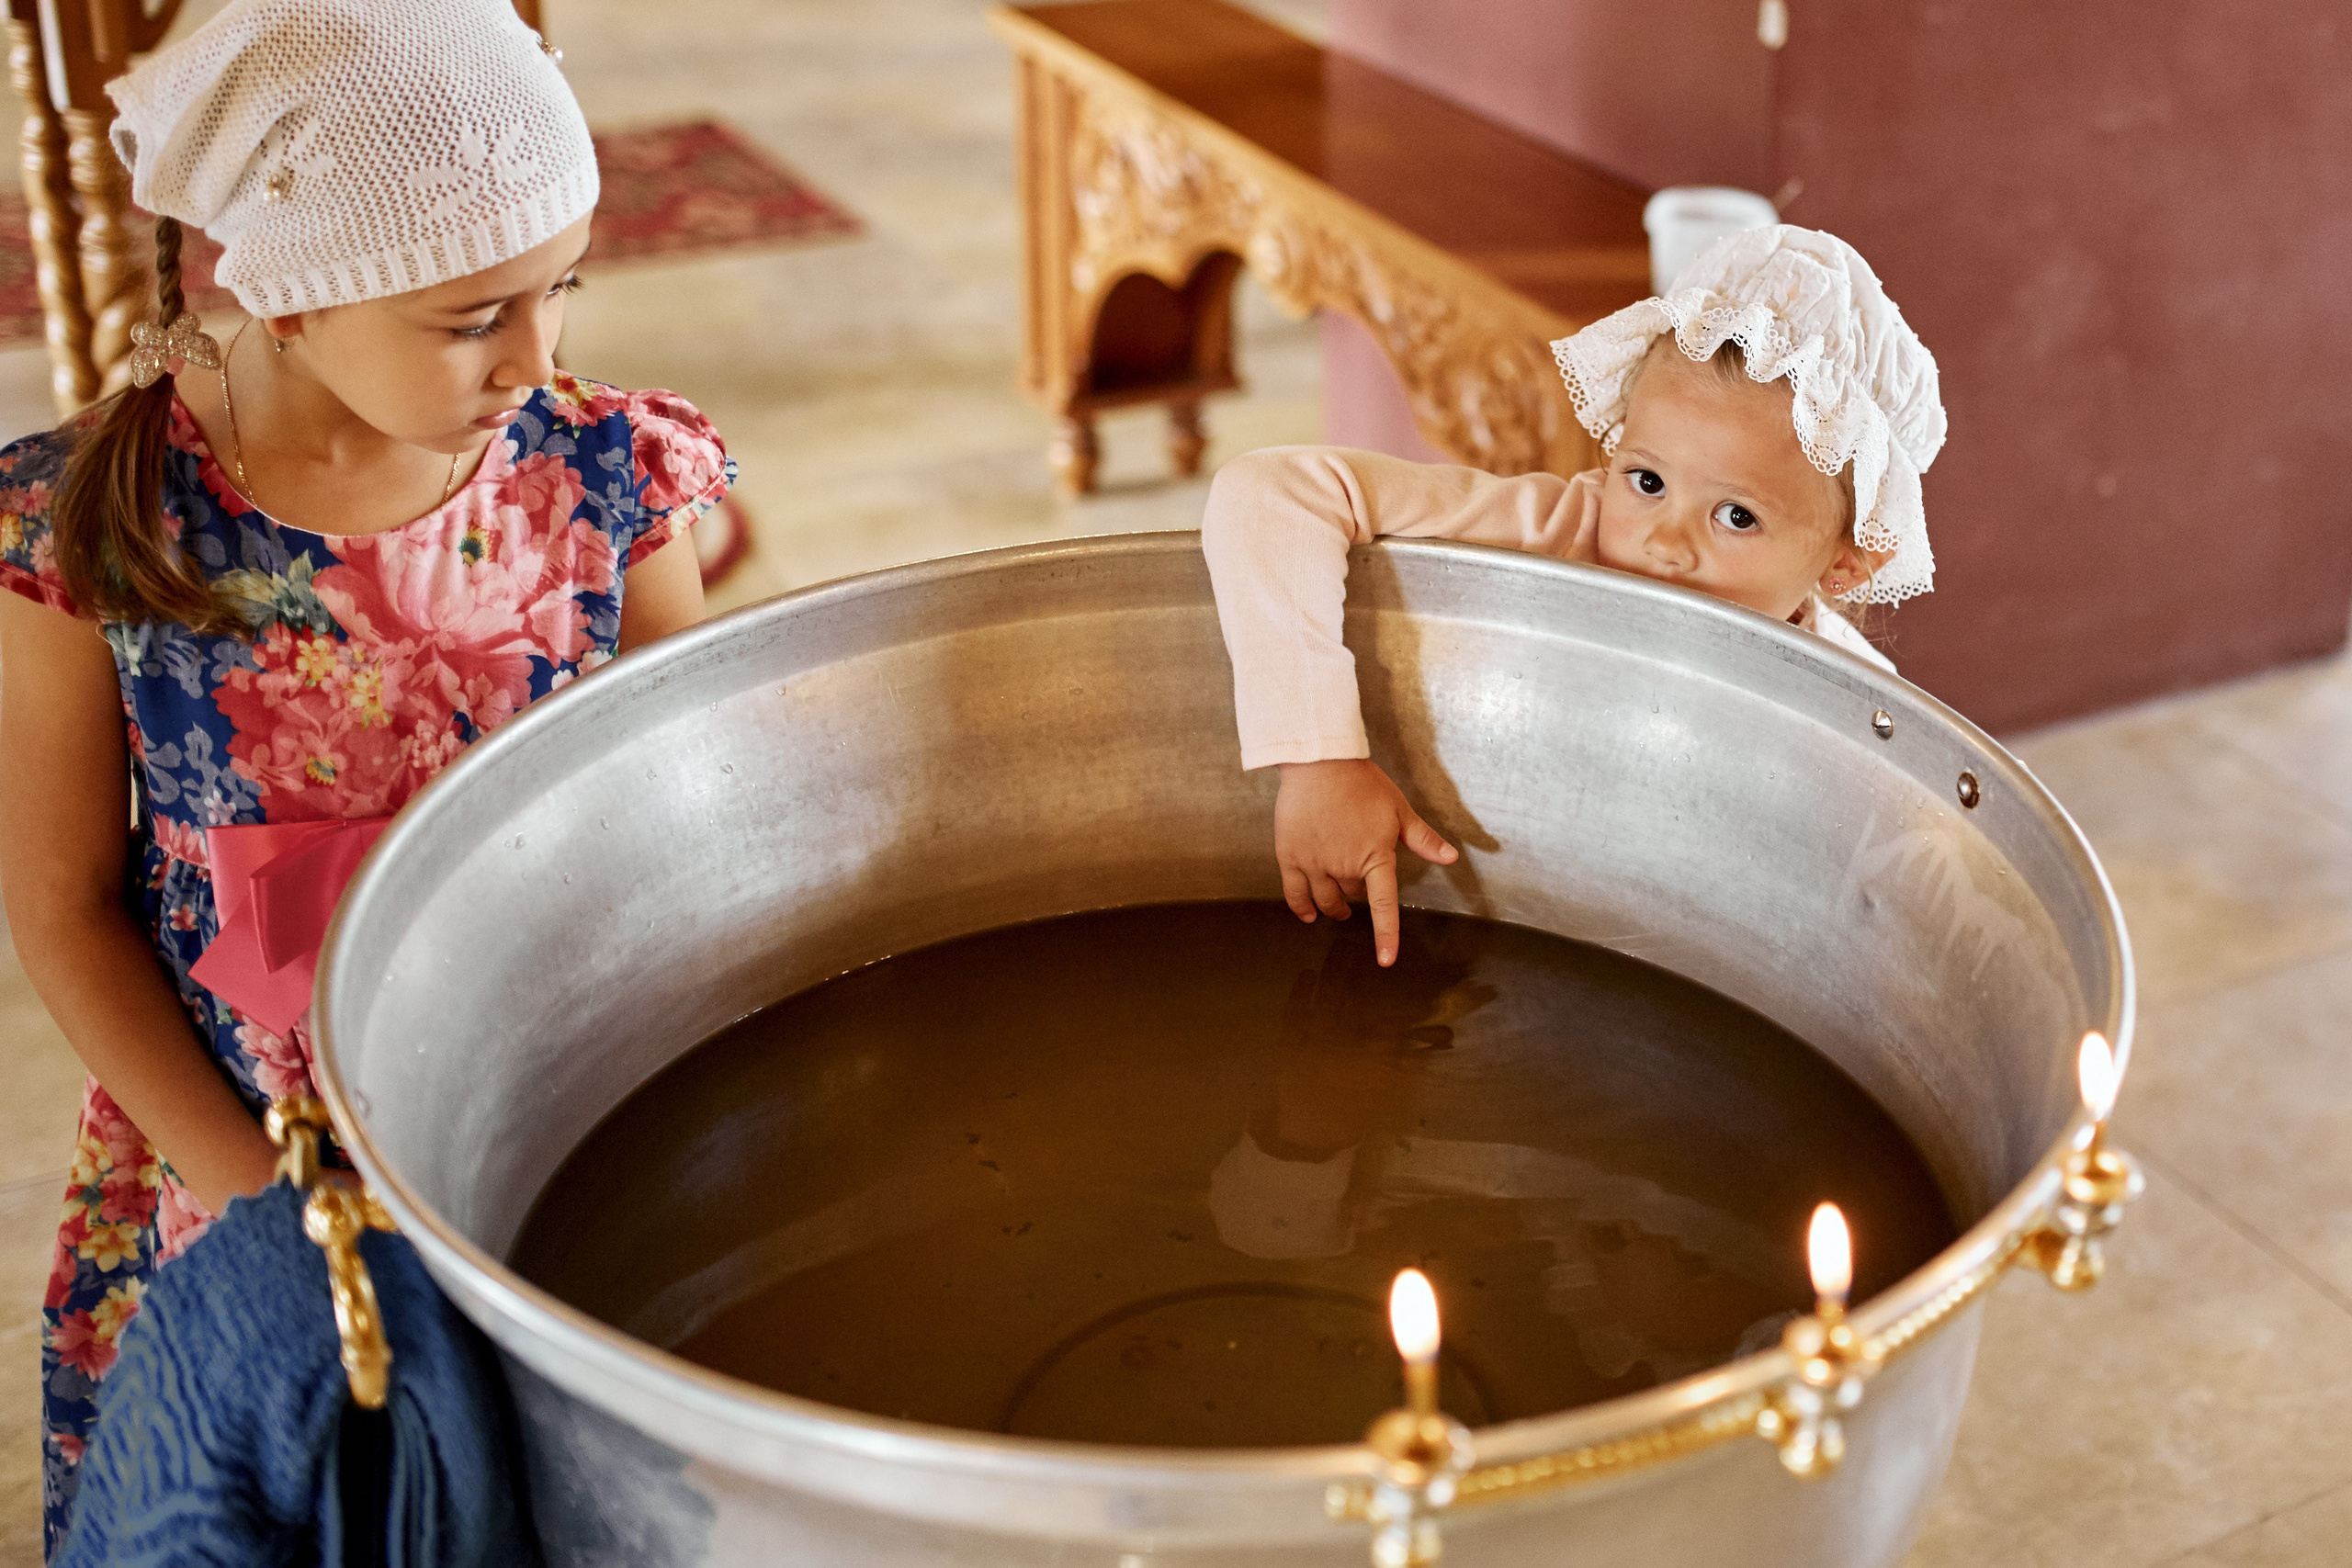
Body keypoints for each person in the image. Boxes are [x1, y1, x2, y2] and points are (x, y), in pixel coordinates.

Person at [0, 0, 733, 1551]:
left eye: (561, 291)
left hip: (550, 1118)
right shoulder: (95, 536)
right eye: (476, 317)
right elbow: (64, 907)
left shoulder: (604, 484)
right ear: (269, 295)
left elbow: (700, 796)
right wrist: (277, 1215)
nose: (539, 357)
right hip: (251, 1158)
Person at [1202, 225, 1944, 968]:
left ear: (1846, 564)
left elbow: (1901, 890)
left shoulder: (1854, 704)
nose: (1665, 542)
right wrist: (1320, 763)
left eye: (1737, 516)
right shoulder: (1551, 534)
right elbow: (1271, 494)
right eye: (1646, 481)